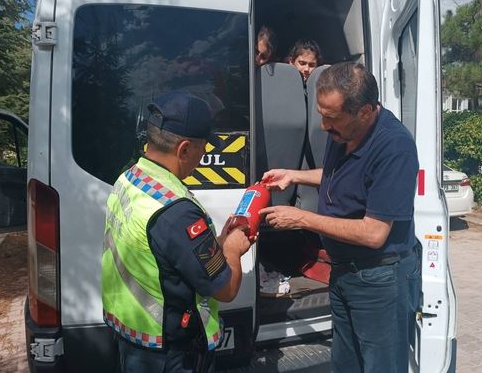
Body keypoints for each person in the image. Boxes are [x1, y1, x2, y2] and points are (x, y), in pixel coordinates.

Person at [259, 62, 421, 373]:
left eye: (332, 118)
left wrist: (301, 219)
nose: (323, 126)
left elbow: (374, 233)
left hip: (380, 279)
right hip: (346, 271)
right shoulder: (343, 134)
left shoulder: (394, 148)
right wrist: (294, 176)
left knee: (381, 366)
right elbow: (339, 178)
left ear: (365, 112)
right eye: (321, 114)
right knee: (346, 363)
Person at [101, 91, 253, 373]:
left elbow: (168, 255)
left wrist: (217, 241)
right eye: (203, 146)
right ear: (183, 149)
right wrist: (232, 248)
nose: (205, 153)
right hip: (170, 351)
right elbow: (226, 289)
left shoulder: (130, 178)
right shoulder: (176, 211)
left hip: (132, 334)